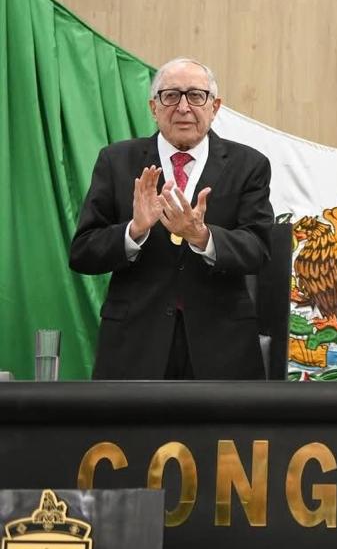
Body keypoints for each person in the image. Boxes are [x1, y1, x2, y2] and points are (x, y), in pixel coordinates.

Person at [69, 58, 273, 380]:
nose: (183, 107)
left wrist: (202, 237)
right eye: (171, 95)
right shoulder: (116, 161)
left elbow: (258, 250)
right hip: (134, 347)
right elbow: (83, 252)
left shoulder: (249, 165)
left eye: (196, 95)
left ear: (215, 106)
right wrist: (134, 231)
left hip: (222, 348)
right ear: (154, 107)